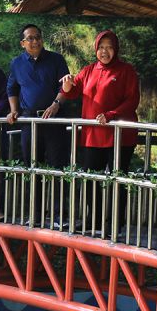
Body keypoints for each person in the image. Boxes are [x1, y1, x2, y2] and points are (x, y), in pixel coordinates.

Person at [60, 29, 140, 229]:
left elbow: (132, 100)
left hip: (119, 136)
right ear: (96, 48)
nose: (105, 52)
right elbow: (71, 92)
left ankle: (116, 223)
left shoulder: (126, 70)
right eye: (101, 47)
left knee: (117, 179)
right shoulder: (87, 70)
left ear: (116, 49)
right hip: (92, 135)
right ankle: (93, 220)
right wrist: (68, 85)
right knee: (90, 180)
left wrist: (111, 115)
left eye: (109, 47)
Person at [6, 24, 71, 168]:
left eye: (38, 37)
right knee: (32, 167)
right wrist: (13, 110)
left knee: (58, 166)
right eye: (30, 38)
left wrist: (56, 104)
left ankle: (58, 192)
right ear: (22, 43)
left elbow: (65, 87)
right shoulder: (16, 63)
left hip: (55, 119)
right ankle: (34, 192)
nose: (35, 41)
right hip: (29, 120)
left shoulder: (56, 59)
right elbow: (11, 89)